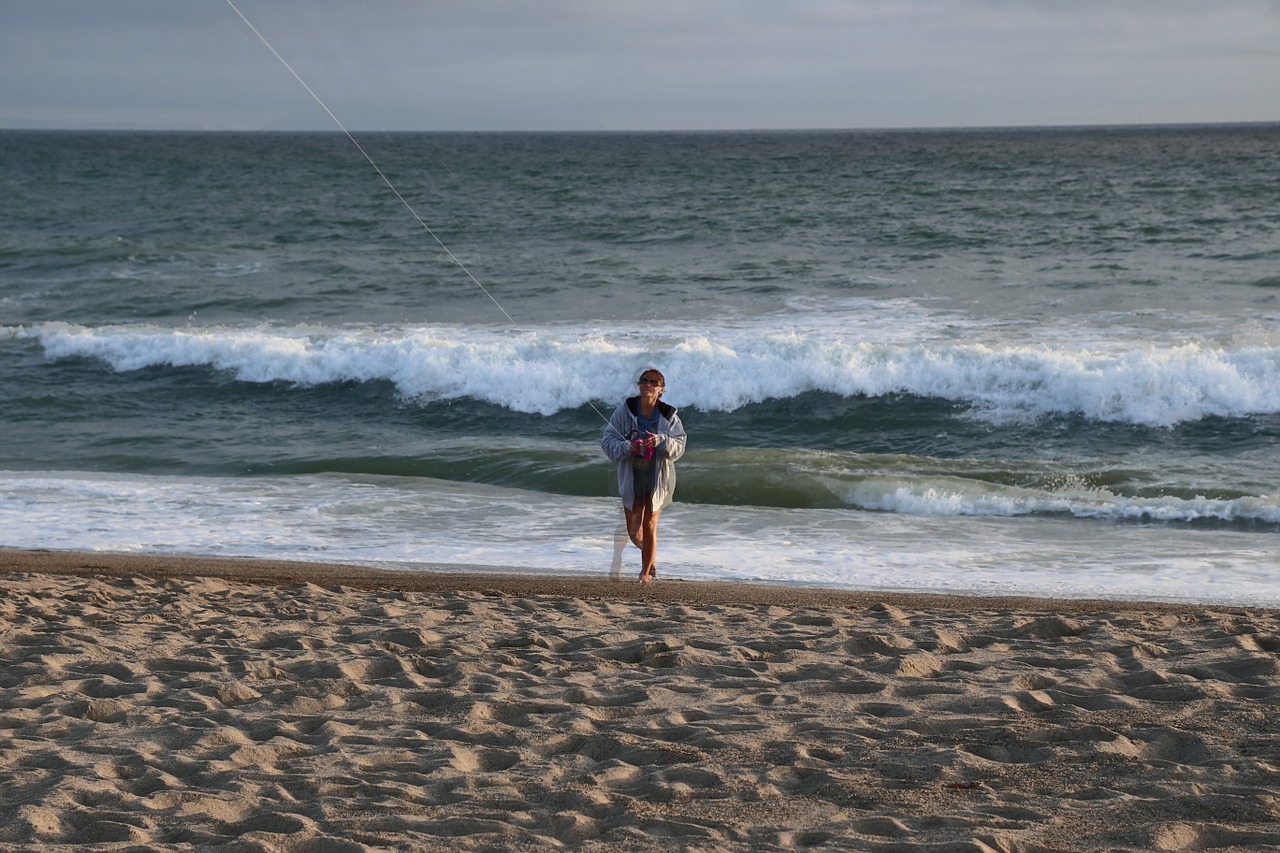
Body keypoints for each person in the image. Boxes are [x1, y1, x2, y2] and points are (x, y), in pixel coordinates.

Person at [601, 368, 687, 584]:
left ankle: (644, 574)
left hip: (658, 476)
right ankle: (650, 559)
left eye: (654, 382)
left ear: (661, 389)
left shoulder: (669, 416)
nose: (648, 384)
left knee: (650, 524)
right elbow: (607, 441)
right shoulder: (625, 411)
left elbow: (679, 446)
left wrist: (660, 440)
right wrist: (628, 446)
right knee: (633, 531)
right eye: (644, 380)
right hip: (631, 474)